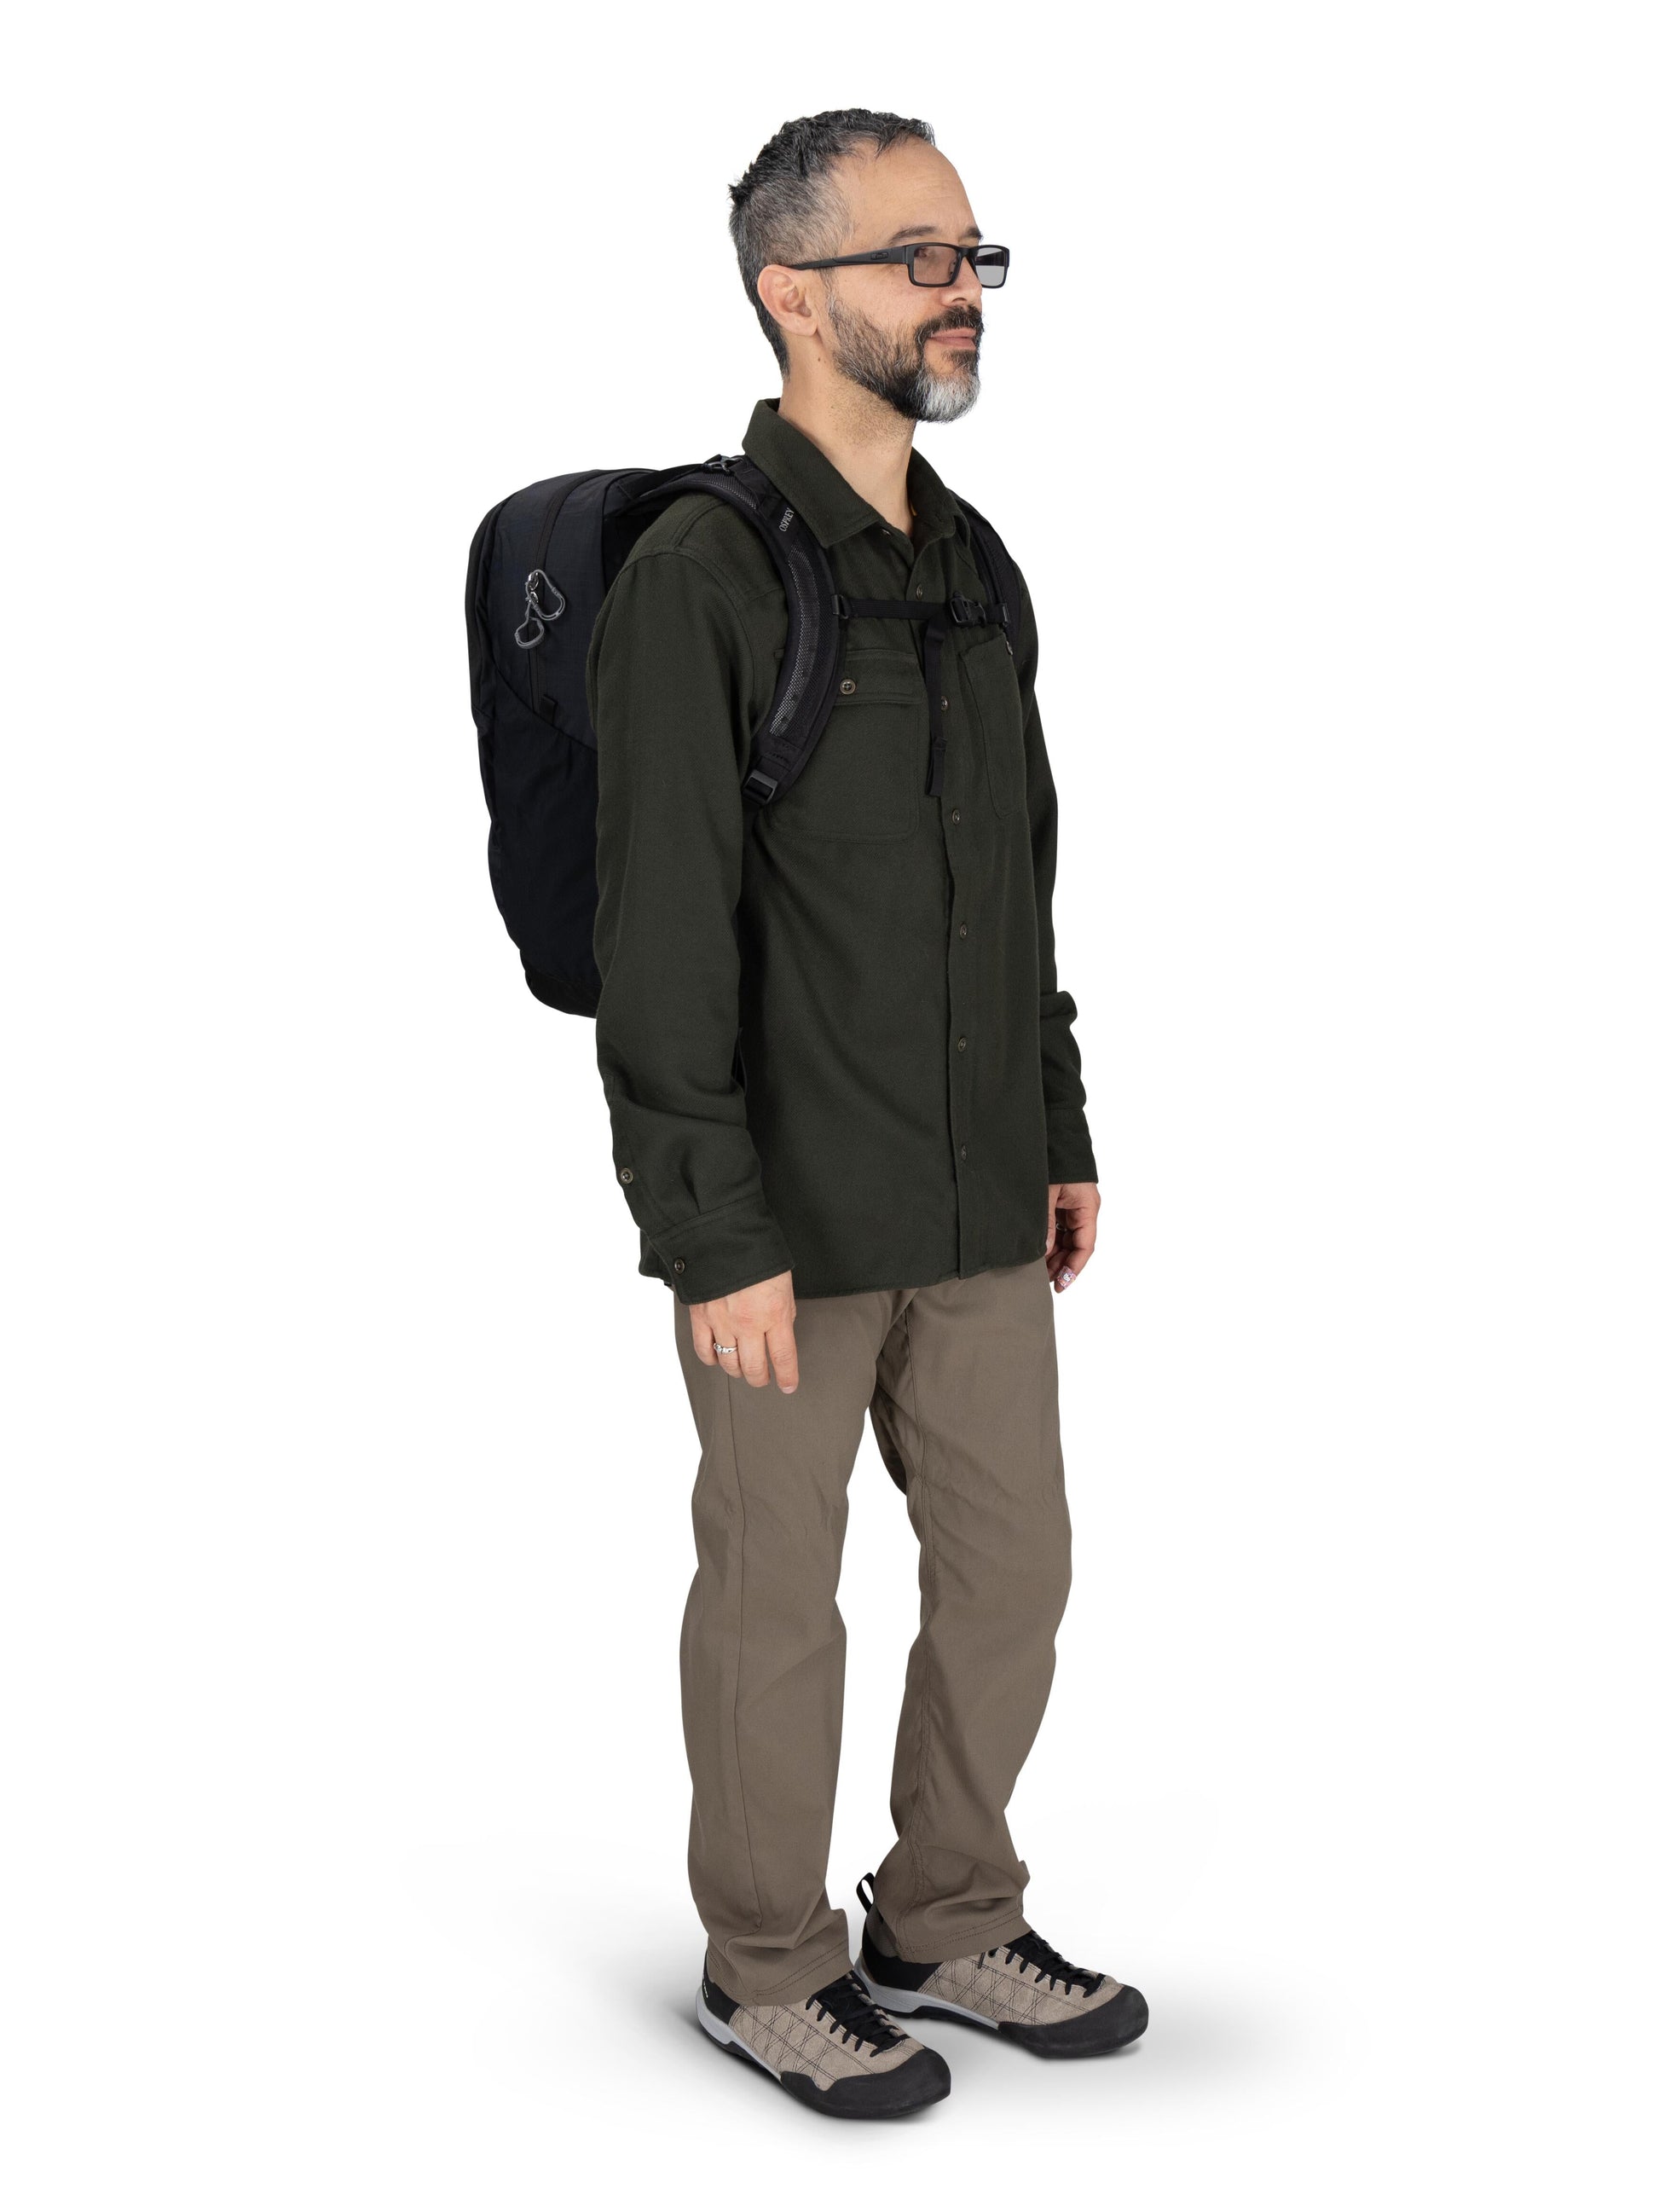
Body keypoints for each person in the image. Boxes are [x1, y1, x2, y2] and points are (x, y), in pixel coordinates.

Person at [586, 108, 1147, 2119]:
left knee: (1015, 1571)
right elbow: (660, 941)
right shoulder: (702, 574)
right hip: (788, 1218)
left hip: (979, 1193)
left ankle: (945, 1914)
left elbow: (1019, 885)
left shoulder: (974, 568)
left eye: (972, 254)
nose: (959, 290)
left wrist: (1056, 1126)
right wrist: (707, 1231)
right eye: (918, 256)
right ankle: (767, 1965)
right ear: (791, 295)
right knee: (775, 1602)